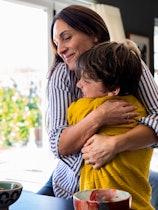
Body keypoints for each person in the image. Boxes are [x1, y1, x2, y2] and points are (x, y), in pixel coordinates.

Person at [37, 4, 158, 206]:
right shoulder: (61, 74)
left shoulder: (128, 63)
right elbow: (58, 145)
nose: (60, 49)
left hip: (118, 190)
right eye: (56, 42)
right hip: (68, 186)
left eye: (67, 37)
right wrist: (100, 115)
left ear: (94, 34)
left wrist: (114, 144)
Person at [67, 40, 153, 209]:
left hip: (102, 203)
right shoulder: (141, 111)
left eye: (87, 81)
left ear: (113, 90)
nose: (79, 85)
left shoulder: (89, 107)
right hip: (138, 203)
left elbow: (70, 116)